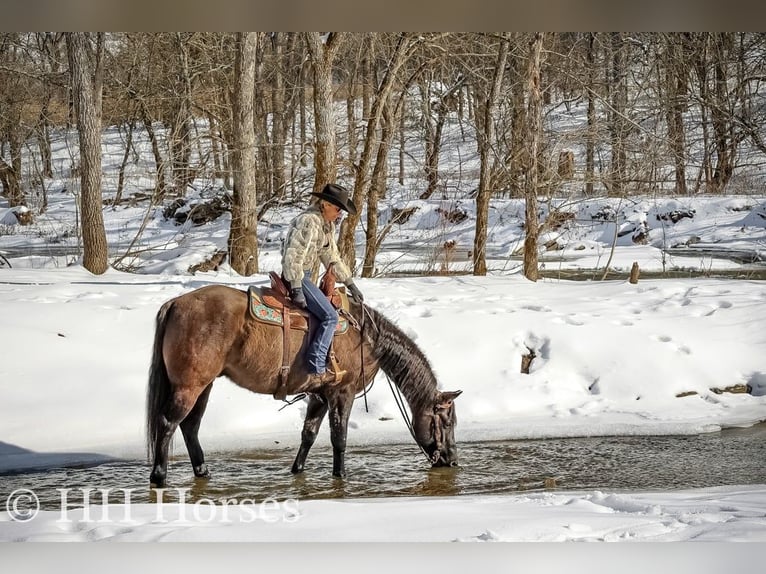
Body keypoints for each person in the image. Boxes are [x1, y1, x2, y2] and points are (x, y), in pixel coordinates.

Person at [281, 183, 364, 385]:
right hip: (298, 276)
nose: (339, 214)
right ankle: (316, 364)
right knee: (330, 316)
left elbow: (331, 256)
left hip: (305, 277)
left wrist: (349, 282)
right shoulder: (309, 222)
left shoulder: (326, 225)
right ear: (325, 204)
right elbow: (293, 255)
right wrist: (297, 286)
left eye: (341, 211)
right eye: (338, 209)